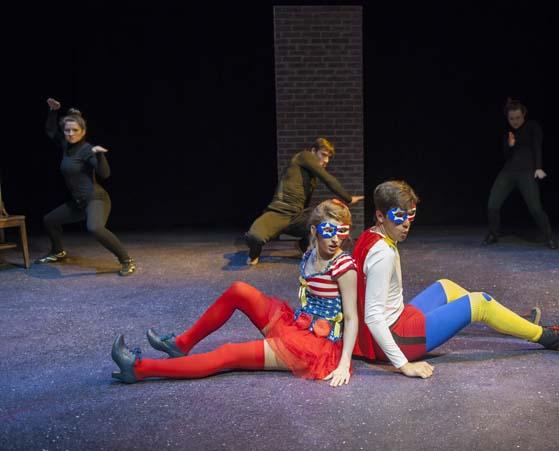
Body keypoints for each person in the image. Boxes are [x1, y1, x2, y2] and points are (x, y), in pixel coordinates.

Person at [111, 199, 358, 386]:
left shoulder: (344, 266)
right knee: (239, 290)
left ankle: (139, 368)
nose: (336, 239)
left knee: (229, 353)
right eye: (329, 231)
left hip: (316, 347)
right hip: (299, 325)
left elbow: (351, 317)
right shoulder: (311, 253)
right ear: (314, 231)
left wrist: (344, 364)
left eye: (342, 232)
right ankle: (181, 344)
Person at [353, 180, 559, 378]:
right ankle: (545, 336)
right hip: (398, 338)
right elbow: (373, 316)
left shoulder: (370, 235)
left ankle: (509, 321)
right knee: (479, 302)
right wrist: (404, 366)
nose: (406, 223)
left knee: (446, 286)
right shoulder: (382, 253)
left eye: (410, 215)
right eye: (398, 216)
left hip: (397, 318)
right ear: (380, 216)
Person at [36, 98, 136, 276]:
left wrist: (99, 156)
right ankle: (58, 251)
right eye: (67, 130)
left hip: (96, 199)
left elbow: (105, 174)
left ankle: (126, 260)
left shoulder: (88, 150)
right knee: (49, 220)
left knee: (95, 228)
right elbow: (51, 131)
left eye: (75, 130)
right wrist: (53, 111)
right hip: (79, 203)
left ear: (83, 132)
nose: (71, 134)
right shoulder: (66, 145)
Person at [244, 137, 363, 265]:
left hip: (297, 216)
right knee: (254, 237)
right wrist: (348, 198)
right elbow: (328, 179)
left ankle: (304, 245)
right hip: (279, 213)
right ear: (313, 150)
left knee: (323, 220)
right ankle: (253, 255)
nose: (326, 160)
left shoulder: (310, 177)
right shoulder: (304, 156)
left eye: (328, 157)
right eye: (323, 155)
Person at [483, 98, 558, 249]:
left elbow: (537, 146)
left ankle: (549, 237)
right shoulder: (508, 133)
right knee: (492, 204)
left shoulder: (532, 126)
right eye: (511, 119)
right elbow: (506, 155)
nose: (515, 121)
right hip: (508, 172)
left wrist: (538, 167)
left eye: (518, 118)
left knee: (535, 208)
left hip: (527, 172)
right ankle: (493, 234)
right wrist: (510, 145)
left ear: (523, 114)